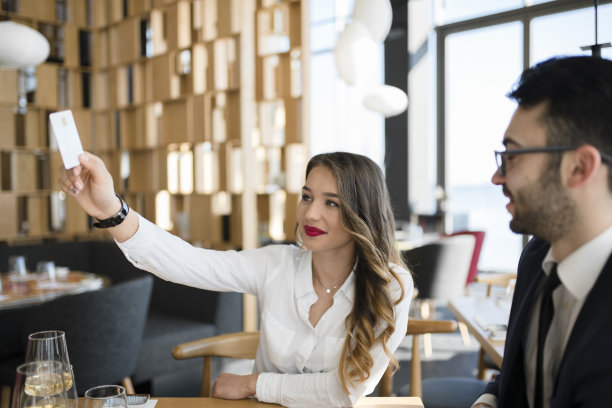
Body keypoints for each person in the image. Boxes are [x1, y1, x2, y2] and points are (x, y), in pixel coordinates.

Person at [58, 151, 413, 407]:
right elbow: (187, 262)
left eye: (331, 203)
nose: (311, 212)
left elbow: (344, 392)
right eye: (306, 196)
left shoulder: (391, 285)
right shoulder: (277, 263)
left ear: (362, 212)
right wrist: (111, 211)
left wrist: (253, 383)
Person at [473, 55, 612, 408]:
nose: (496, 177)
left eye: (512, 156)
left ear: (579, 167)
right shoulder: (538, 257)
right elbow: (522, 371)